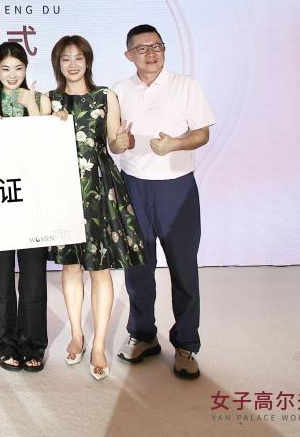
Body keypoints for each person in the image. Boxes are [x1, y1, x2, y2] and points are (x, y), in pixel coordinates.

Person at [111, 24, 215, 379]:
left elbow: (202, 133)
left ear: (164, 50)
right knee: (138, 269)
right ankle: (143, 335)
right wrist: (118, 144)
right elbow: (113, 142)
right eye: (142, 48)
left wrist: (176, 144)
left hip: (177, 188)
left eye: (156, 46)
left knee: (184, 270)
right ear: (129, 55)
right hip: (133, 187)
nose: (151, 53)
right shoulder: (119, 91)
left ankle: (186, 344)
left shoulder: (186, 85)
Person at [46, 35, 145, 381]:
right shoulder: (50, 100)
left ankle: (99, 344)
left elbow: (115, 144)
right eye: (65, 59)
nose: (72, 65)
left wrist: (122, 140)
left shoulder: (106, 96)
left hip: (99, 188)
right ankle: (77, 334)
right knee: (71, 265)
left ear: (88, 61)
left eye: (78, 58)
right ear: (58, 64)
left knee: (100, 269)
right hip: (64, 189)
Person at [0, 41, 51, 373]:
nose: (11, 75)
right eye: (5, 68)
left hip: (34, 200)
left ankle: (33, 344)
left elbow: (46, 147)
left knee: (34, 277)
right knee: (1, 279)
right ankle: (6, 344)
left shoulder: (40, 100)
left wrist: (33, 107)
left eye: (18, 68)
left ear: (26, 69)